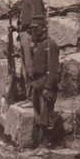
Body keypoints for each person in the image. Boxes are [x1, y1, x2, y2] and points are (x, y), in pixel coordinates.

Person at [25, 19, 63, 148]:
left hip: (46, 85)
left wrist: (48, 87)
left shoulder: (50, 45)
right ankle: (39, 143)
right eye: (31, 29)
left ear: (43, 28)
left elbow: (53, 69)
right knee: (38, 116)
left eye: (36, 28)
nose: (33, 32)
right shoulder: (38, 45)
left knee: (46, 115)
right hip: (37, 84)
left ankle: (47, 143)